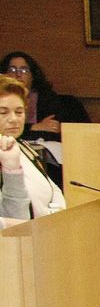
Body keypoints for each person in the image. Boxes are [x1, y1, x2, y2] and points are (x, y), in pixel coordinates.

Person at [0, 76, 66, 225]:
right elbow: (15, 217)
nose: (14, 119)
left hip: (44, 231)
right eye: (3, 112)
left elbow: (53, 189)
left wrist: (57, 212)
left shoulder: (24, 147)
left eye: (19, 112)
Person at [1, 51, 89, 143]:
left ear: (32, 76)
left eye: (24, 70)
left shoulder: (52, 101)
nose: (18, 75)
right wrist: (34, 127)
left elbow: (52, 133)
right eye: (12, 70)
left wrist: (33, 130)